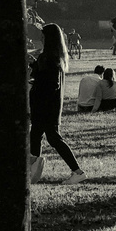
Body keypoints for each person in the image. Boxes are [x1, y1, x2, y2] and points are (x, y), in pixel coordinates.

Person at [30, 24, 86, 184]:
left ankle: (77, 171)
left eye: (43, 36)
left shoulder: (48, 58)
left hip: (45, 106)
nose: (40, 38)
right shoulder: (55, 57)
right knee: (36, 135)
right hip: (50, 106)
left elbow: (49, 83)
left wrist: (36, 84)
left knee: (53, 138)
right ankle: (33, 170)